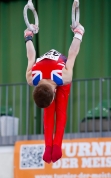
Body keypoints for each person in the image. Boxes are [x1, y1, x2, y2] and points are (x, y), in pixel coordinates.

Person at [24, 23, 85, 164]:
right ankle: (51, 146)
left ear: (54, 94)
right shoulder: (31, 79)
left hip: (59, 75)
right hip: (50, 73)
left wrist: (79, 33)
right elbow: (31, 56)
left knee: (59, 109)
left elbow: (72, 55)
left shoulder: (65, 77)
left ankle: (54, 145)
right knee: (55, 111)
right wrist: (28, 37)